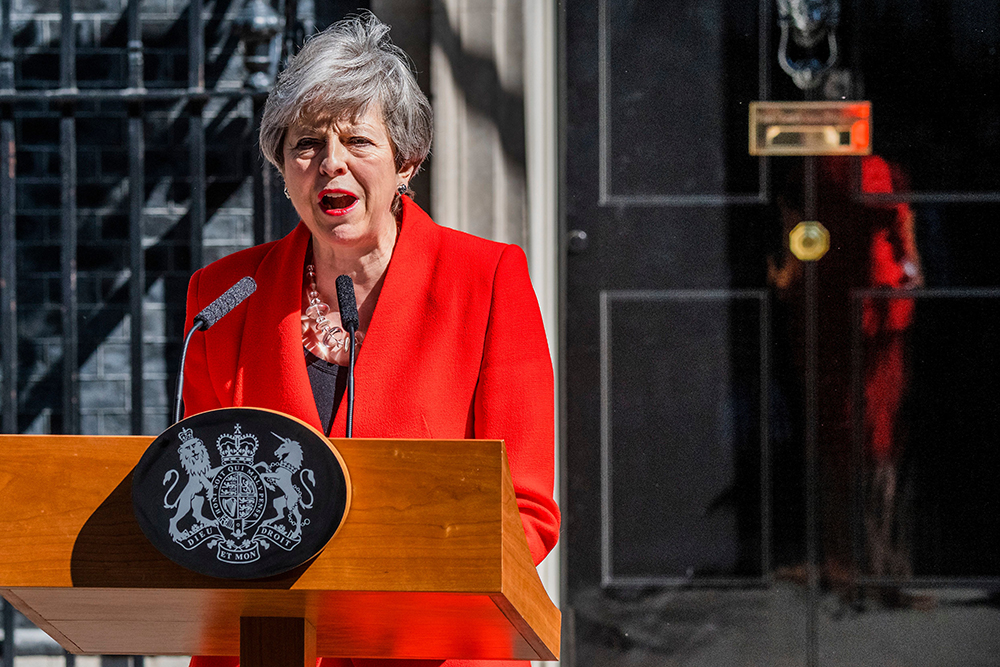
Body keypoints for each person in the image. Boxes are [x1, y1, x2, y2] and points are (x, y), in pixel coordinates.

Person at [182, 12, 559, 666]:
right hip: (264, 648)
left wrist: (392, 592)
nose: (331, 164)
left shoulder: (487, 280)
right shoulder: (223, 298)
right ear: (282, 166)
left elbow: (526, 511)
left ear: (407, 160)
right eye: (305, 144)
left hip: (434, 649)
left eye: (357, 139)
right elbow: (203, 500)